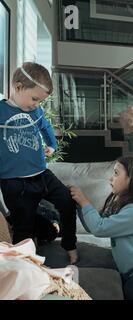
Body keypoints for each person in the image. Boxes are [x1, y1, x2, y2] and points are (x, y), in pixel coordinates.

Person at [0, 62, 78, 263]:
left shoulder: (36, 112)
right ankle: (24, 266)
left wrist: (52, 145)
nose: (36, 104)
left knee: (67, 201)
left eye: (40, 101)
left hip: (42, 175)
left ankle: (69, 245)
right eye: (35, 98)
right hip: (14, 183)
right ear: (18, 87)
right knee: (23, 227)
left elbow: (46, 127)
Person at [70, 157, 133, 300]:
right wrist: (80, 206)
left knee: (132, 293)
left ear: (132, 180)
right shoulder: (122, 207)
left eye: (116, 173)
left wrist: (84, 201)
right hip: (128, 273)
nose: (111, 178)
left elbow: (99, 228)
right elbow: (93, 226)